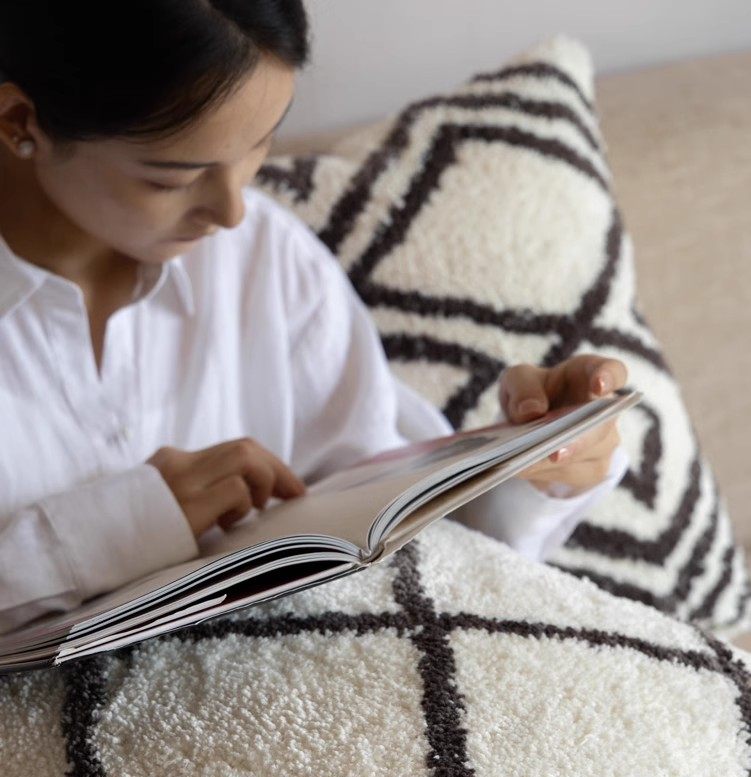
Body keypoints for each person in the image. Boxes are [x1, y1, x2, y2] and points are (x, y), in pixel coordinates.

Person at [0, 1, 628, 640]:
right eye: (173, 178)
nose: (231, 212)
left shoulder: (264, 256)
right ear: (20, 122)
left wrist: (532, 464)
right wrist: (123, 527)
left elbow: (391, 527)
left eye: (259, 144)